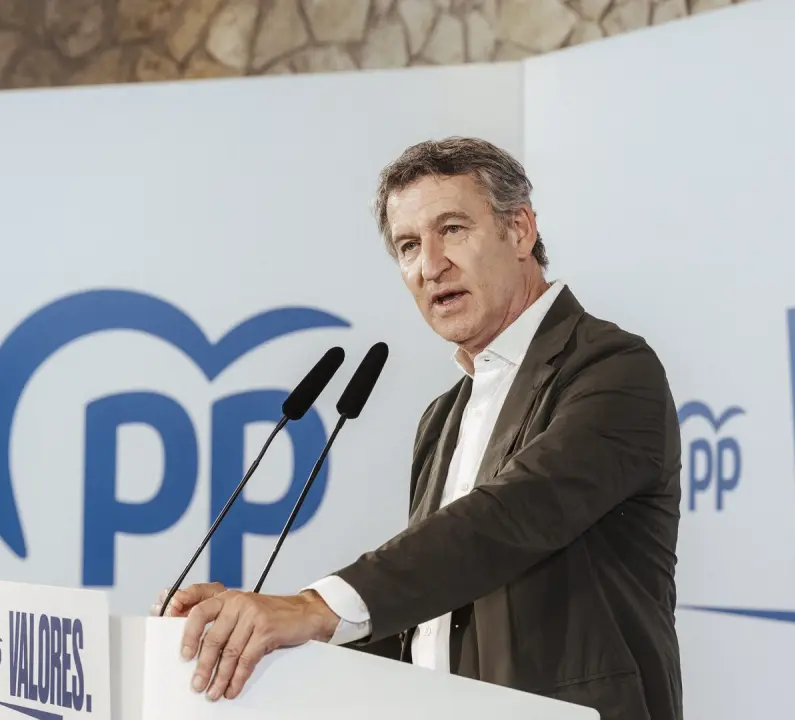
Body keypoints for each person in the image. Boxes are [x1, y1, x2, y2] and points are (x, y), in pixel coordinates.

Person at [155, 137, 684, 720]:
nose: (431, 266)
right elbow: (429, 621)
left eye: (452, 229)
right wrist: (261, 634)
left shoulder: (612, 368)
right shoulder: (443, 416)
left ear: (519, 231)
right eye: (409, 246)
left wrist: (313, 607)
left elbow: (511, 518)